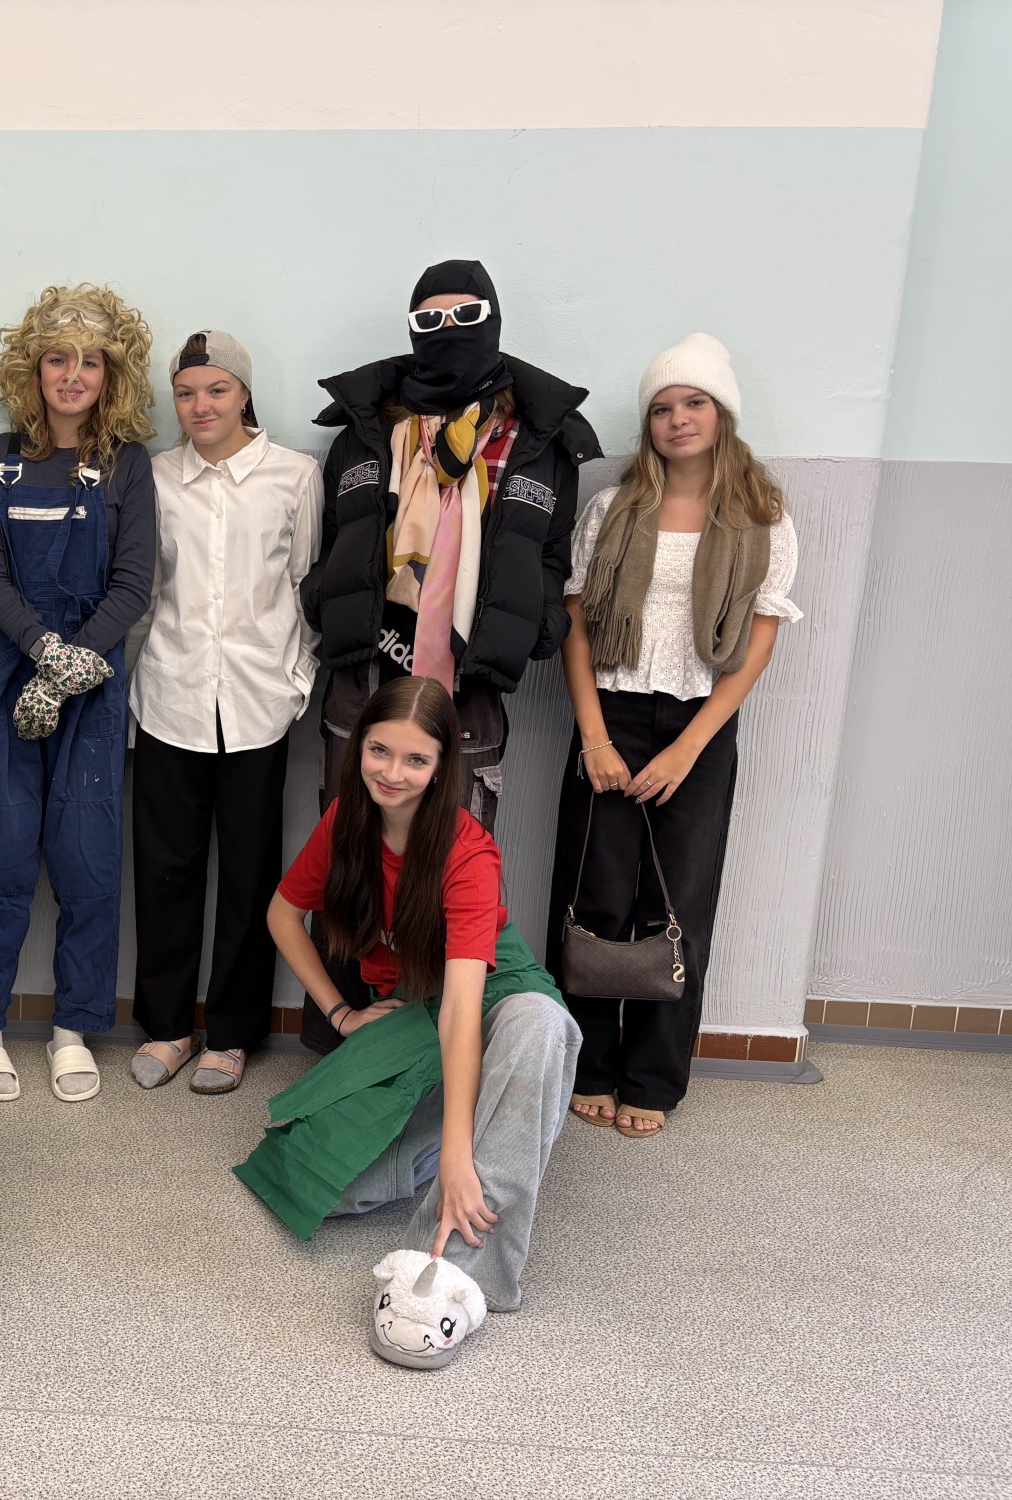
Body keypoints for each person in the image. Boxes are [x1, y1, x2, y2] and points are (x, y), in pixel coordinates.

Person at [233, 678, 579, 1370]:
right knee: (320, 1183)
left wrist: (456, 1159)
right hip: (417, 1012)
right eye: (379, 751)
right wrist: (341, 1013)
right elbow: (282, 915)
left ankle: (449, 1277)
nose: (392, 772)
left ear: (444, 765)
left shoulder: (468, 852)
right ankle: (478, 1132)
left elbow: (462, 1010)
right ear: (358, 746)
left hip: (495, 999)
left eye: (416, 759)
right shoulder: (346, 824)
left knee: (539, 1026)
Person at [548, 334, 799, 1140]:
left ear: (722, 414)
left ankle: (653, 1076)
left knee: (677, 905)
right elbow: (577, 625)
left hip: (700, 724)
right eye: (662, 407)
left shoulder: (762, 517)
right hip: (611, 715)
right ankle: (585, 1065)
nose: (678, 418)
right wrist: (593, 737)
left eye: (694, 403)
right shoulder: (614, 510)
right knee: (592, 897)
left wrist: (689, 748)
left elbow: (758, 642)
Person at [304, 259, 600, 831]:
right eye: (429, 318)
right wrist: (323, 595)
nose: (447, 329)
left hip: (468, 686)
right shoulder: (368, 430)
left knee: (455, 856)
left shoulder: (538, 442)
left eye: (466, 315)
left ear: (493, 321)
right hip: (366, 673)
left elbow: (551, 553)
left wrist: (537, 621)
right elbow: (336, 536)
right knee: (351, 852)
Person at [0, 284, 157, 1105]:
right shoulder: (2, 457)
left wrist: (74, 662)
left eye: (90, 362)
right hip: (12, 675)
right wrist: (42, 651)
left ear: (113, 374)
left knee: (87, 861)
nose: (72, 375)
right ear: (30, 369)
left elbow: (133, 584)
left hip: (93, 686)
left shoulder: (128, 464)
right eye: (56, 359)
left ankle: (73, 1028)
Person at [127, 331, 322, 1095]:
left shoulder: (294, 476)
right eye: (185, 393)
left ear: (243, 394)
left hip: (257, 704)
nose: (200, 405)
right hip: (169, 696)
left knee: (248, 875)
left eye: (216, 390)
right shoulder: (155, 478)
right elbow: (144, 594)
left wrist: (294, 682)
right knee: (165, 871)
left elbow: (304, 586)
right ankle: (168, 1027)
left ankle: (233, 1034)